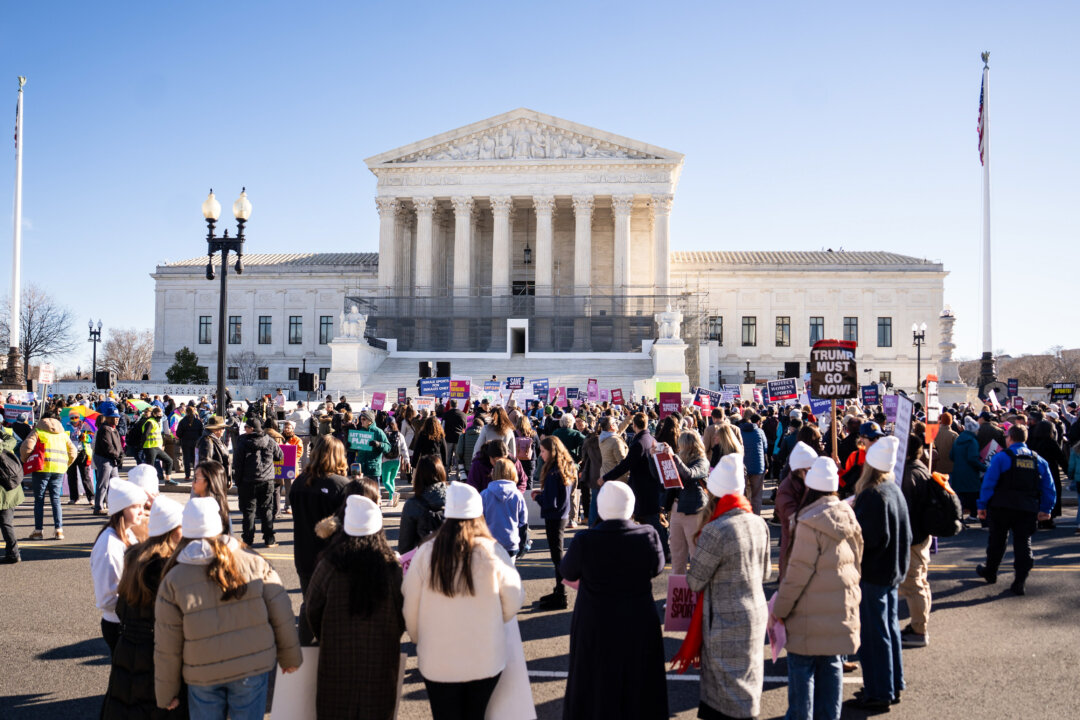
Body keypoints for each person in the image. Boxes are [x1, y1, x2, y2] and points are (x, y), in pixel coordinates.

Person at [155, 497, 301, 716]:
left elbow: (167, 643)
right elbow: (281, 612)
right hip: (251, 667)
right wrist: (290, 657)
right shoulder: (254, 561)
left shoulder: (173, 578)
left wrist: (166, 692)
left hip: (202, 672)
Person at [402, 482, 525, 720]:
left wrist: (419, 640)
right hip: (485, 658)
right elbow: (514, 597)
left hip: (437, 660)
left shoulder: (426, 552)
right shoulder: (492, 551)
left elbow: (410, 607)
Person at [561, 481, 668, 719]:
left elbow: (568, 571)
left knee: (595, 682)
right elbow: (657, 568)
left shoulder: (585, 540)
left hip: (596, 621)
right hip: (638, 619)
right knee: (639, 681)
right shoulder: (648, 534)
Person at [677, 453, 771, 720]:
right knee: (747, 688)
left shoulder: (716, 529)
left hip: (723, 619)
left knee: (723, 697)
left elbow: (695, 580)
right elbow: (765, 573)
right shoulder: (758, 523)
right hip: (754, 613)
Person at [771, 457, 863, 720]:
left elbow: (796, 574)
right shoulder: (849, 514)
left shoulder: (809, 522)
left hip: (808, 615)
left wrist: (780, 609)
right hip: (841, 609)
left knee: (801, 671)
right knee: (832, 665)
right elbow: (858, 562)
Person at [305, 495, 404, 720]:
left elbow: (312, 608)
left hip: (336, 655)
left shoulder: (329, 564)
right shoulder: (391, 568)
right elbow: (402, 613)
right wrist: (391, 634)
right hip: (381, 657)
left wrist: (325, 635)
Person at [102, 496, 187, 719]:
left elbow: (121, 606)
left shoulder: (134, 555)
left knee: (127, 705)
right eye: (182, 527)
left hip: (128, 647)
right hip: (155, 652)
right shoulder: (167, 567)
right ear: (171, 530)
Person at [849, 436, 910, 711]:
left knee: (874, 636)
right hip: (892, 571)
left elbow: (871, 539)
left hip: (874, 574)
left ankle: (879, 691)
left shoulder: (873, 495)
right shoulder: (893, 489)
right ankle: (892, 684)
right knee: (889, 630)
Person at [976, 423, 1057, 595]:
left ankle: (990, 572)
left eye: (1006, 437)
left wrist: (982, 505)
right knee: (1023, 543)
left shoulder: (1001, 457)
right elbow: (1049, 487)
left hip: (1001, 507)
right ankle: (1020, 581)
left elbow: (988, 484)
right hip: (1027, 508)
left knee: (997, 541)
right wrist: (1046, 508)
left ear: (1010, 438)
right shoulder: (1038, 460)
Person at [289, 435, 352, 643]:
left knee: (310, 603)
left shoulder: (299, 482)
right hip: (332, 557)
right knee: (334, 606)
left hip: (304, 553)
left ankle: (305, 652)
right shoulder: (342, 485)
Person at [91, 479, 149, 653]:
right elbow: (108, 599)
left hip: (130, 620)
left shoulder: (129, 533)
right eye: (135, 506)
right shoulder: (109, 546)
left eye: (142, 506)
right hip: (119, 624)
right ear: (120, 509)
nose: (141, 511)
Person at [602, 413, 669, 561]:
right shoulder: (651, 439)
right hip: (650, 486)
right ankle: (656, 550)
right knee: (649, 520)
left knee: (651, 521)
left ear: (634, 425)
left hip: (642, 487)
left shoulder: (638, 443)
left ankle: (664, 551)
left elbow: (626, 465)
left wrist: (606, 477)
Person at [654, 430, 710, 575]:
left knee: (695, 552)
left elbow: (689, 474)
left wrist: (674, 457)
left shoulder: (702, 461)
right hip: (677, 508)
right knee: (677, 553)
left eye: (681, 445)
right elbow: (661, 477)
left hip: (693, 509)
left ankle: (698, 592)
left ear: (688, 445)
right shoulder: (679, 458)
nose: (679, 448)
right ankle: (678, 591)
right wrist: (655, 456)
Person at [899, 433, 934, 648]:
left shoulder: (909, 474)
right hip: (920, 535)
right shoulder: (919, 468)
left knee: (913, 584)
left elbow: (905, 510)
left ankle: (919, 630)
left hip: (913, 536)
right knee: (920, 581)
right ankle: (919, 625)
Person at [532, 436, 575, 610]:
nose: (541, 454)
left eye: (543, 451)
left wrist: (538, 497)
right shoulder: (565, 466)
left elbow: (551, 502)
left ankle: (561, 594)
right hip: (562, 516)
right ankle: (559, 589)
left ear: (552, 451)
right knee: (558, 556)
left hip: (554, 517)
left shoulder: (552, 472)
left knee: (557, 557)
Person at [22, 416, 78, 540]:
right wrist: (66, 464)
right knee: (56, 500)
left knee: (39, 500)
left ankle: (38, 531)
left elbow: (26, 447)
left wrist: (25, 460)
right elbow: (73, 451)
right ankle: (59, 530)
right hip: (58, 469)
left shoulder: (38, 431)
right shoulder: (63, 434)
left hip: (41, 468)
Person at [234, 417, 284, 548]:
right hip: (267, 479)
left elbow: (237, 464)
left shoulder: (243, 442)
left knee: (249, 511)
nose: (244, 429)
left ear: (252, 429)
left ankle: (247, 540)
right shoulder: (270, 440)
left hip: (248, 481)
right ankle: (269, 539)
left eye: (246, 427)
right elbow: (280, 456)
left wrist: (237, 481)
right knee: (267, 510)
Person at [775, 441, 818, 583]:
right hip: (793, 548)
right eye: (809, 469)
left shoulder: (809, 483)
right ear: (799, 470)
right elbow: (793, 519)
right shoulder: (785, 489)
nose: (813, 472)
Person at [399, 454, 448, 554]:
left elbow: (404, 547)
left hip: (423, 562)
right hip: (452, 562)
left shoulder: (413, 505)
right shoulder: (456, 499)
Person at [481, 458, 529, 561]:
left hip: (489, 544)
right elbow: (523, 522)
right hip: (510, 543)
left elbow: (479, 521)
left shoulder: (485, 495)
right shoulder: (517, 495)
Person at [950, 416, 988, 522]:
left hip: (957, 472)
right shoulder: (972, 442)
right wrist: (985, 468)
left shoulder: (958, 440)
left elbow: (951, 456)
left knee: (961, 496)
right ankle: (973, 515)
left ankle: (959, 516)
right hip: (970, 473)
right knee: (974, 495)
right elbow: (972, 459)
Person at [93, 408, 125, 516]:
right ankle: (98, 507)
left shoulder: (113, 429)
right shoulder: (105, 429)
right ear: (108, 418)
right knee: (103, 483)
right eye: (114, 417)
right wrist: (117, 456)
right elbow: (108, 447)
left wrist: (121, 455)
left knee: (115, 483)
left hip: (112, 459)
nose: (117, 419)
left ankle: (114, 505)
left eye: (117, 417)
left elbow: (118, 445)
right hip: (104, 459)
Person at [1, 424, 23, 563]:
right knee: (6, 523)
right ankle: (13, 553)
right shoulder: (7, 443)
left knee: (5, 523)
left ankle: (13, 553)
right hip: (12, 490)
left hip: (4, 493)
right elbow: (14, 440)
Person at [192, 460, 232, 534]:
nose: (193, 482)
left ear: (210, 481)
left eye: (196, 478)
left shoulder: (206, 510)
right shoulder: (221, 507)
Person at [739, 413, 768, 514]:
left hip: (743, 466)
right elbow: (765, 448)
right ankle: (756, 516)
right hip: (758, 465)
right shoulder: (760, 431)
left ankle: (744, 514)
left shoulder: (739, 432)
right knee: (757, 494)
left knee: (742, 493)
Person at [66, 412, 95, 505]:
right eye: (72, 418)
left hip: (82, 452)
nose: (74, 419)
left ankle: (91, 498)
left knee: (85, 476)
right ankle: (74, 498)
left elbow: (91, 437)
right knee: (71, 476)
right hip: (71, 453)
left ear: (79, 418)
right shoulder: (66, 426)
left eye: (76, 417)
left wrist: (84, 436)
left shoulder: (85, 426)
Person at [142, 407, 175, 485]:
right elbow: (145, 435)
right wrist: (142, 447)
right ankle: (148, 483)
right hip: (149, 447)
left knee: (169, 461)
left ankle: (168, 480)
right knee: (150, 467)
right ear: (154, 414)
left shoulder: (157, 422)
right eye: (159, 414)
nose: (160, 416)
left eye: (161, 414)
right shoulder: (150, 422)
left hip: (156, 447)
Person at [354, 411, 391, 481]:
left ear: (370, 421)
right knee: (360, 491)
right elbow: (355, 449)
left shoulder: (378, 432)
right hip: (360, 469)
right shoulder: (360, 431)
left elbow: (388, 448)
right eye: (361, 419)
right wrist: (350, 446)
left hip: (373, 469)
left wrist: (379, 444)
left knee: (374, 491)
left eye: (364, 419)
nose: (361, 421)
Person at [176, 407, 204, 482]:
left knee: (186, 459)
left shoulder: (182, 421)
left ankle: (187, 475)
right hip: (196, 443)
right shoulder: (198, 422)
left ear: (186, 412)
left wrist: (183, 436)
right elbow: (202, 433)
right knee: (195, 459)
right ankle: (196, 475)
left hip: (185, 442)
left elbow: (178, 433)